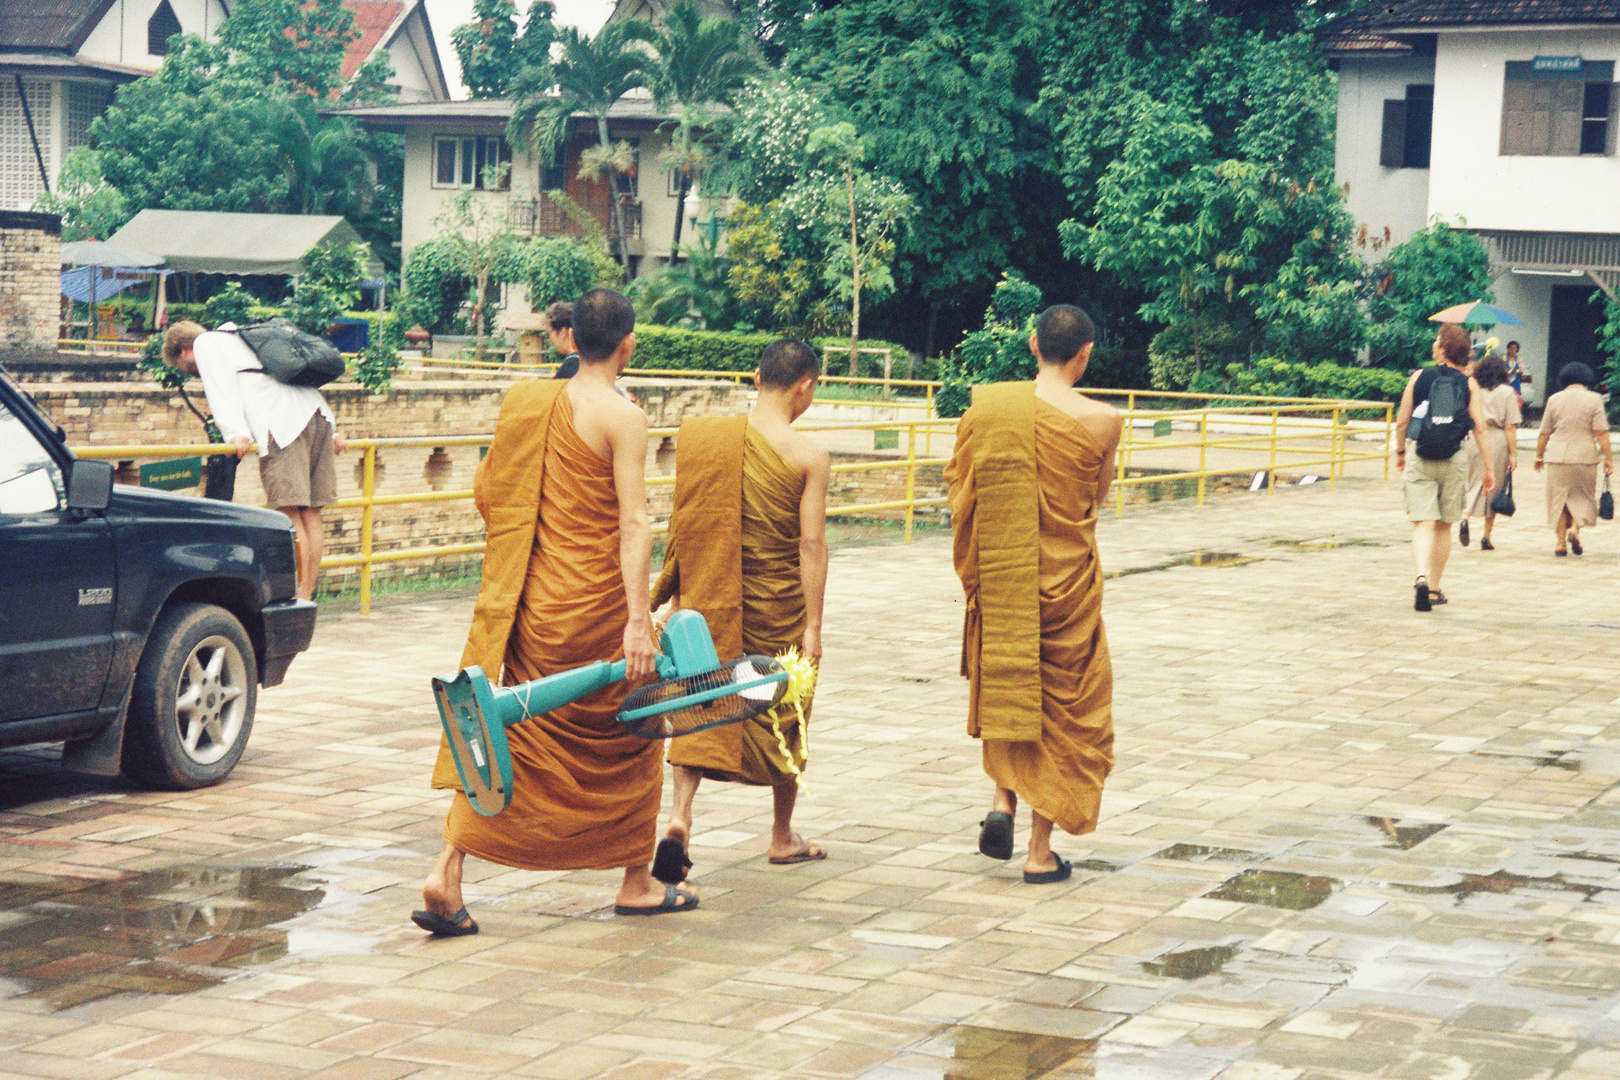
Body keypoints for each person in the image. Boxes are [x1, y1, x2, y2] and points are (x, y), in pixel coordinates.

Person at [415, 288, 693, 936]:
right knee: (636, 733)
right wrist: (635, 620)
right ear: (628, 345)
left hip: (535, 608)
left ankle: (446, 871)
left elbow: (489, 494)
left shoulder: (529, 404)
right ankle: (636, 880)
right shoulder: (625, 416)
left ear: (571, 339)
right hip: (597, 606)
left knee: (512, 730)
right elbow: (634, 523)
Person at [945, 304, 1122, 885]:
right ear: (1085, 353)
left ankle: (1003, 803)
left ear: (1031, 345)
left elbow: (961, 487)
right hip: (1067, 578)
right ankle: (1040, 851)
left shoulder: (989, 409)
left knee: (1011, 676)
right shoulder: (1103, 419)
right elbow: (1095, 496)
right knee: (1069, 705)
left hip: (1005, 571)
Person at [650, 339, 832, 884]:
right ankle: (781, 836)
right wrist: (813, 626)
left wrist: (679, 599)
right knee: (786, 705)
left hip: (711, 596)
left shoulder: (707, 441)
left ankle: (680, 815)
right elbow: (811, 546)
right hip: (779, 601)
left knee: (701, 699)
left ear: (757, 378)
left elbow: (685, 525)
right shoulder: (808, 455)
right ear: (804, 387)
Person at [163, 319, 346, 601]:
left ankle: (297, 598)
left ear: (184, 350)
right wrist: (333, 430)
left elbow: (220, 390)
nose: (189, 371)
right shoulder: (241, 337)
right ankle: (306, 595)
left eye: (183, 365)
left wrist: (235, 433)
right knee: (311, 513)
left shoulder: (205, 343)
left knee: (290, 513)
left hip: (282, 424)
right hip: (317, 417)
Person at [1395, 324, 1494, 611]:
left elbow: (1402, 422)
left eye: (1437, 339)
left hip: (1421, 455)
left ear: (1443, 348)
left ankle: (1420, 577)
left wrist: (1401, 451)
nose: (1434, 342)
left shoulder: (1419, 377)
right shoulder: (1468, 383)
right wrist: (1489, 468)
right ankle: (1435, 589)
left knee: (1422, 524)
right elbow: (1481, 429)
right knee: (1443, 526)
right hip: (1453, 458)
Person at [1535, 362, 1614, 557]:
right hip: (1584, 458)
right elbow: (1601, 433)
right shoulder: (1594, 400)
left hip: (1557, 458)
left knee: (1559, 500)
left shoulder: (1554, 399)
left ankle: (1560, 544)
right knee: (1583, 497)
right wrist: (1609, 458)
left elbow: (1544, 432)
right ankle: (1574, 531)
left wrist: (1539, 455)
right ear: (1587, 379)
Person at [1460, 354, 1521, 551]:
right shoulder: (1507, 392)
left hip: (1472, 438)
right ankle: (1486, 536)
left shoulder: (1473, 389)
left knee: (1473, 481)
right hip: (1496, 440)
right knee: (1494, 486)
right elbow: (1510, 426)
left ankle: (1465, 516)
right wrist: (1513, 453)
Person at [546, 301, 580, 380]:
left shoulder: (570, 367)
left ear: (562, 332)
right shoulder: (591, 363)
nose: (550, 339)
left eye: (549, 334)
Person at [1505, 341, 1526, 406]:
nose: (1512, 350)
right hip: (1506, 383)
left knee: (1516, 402)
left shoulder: (1519, 359)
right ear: (1508, 349)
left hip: (1516, 384)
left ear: (1517, 350)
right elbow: (1502, 369)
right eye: (1511, 348)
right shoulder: (1504, 358)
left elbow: (1522, 370)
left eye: (1514, 348)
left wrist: (1512, 372)